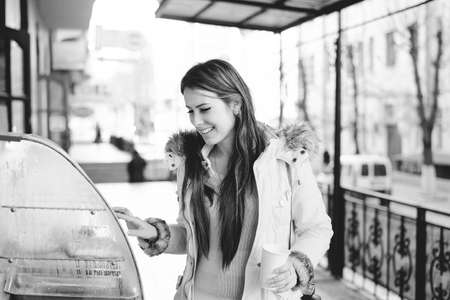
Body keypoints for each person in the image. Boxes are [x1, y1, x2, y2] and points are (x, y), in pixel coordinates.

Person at [114, 59, 332, 300]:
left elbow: (317, 228)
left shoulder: (285, 158)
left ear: (235, 104)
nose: (196, 121)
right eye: (191, 111)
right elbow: (192, 238)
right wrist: (155, 233)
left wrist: (295, 264)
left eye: (204, 109)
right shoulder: (190, 162)